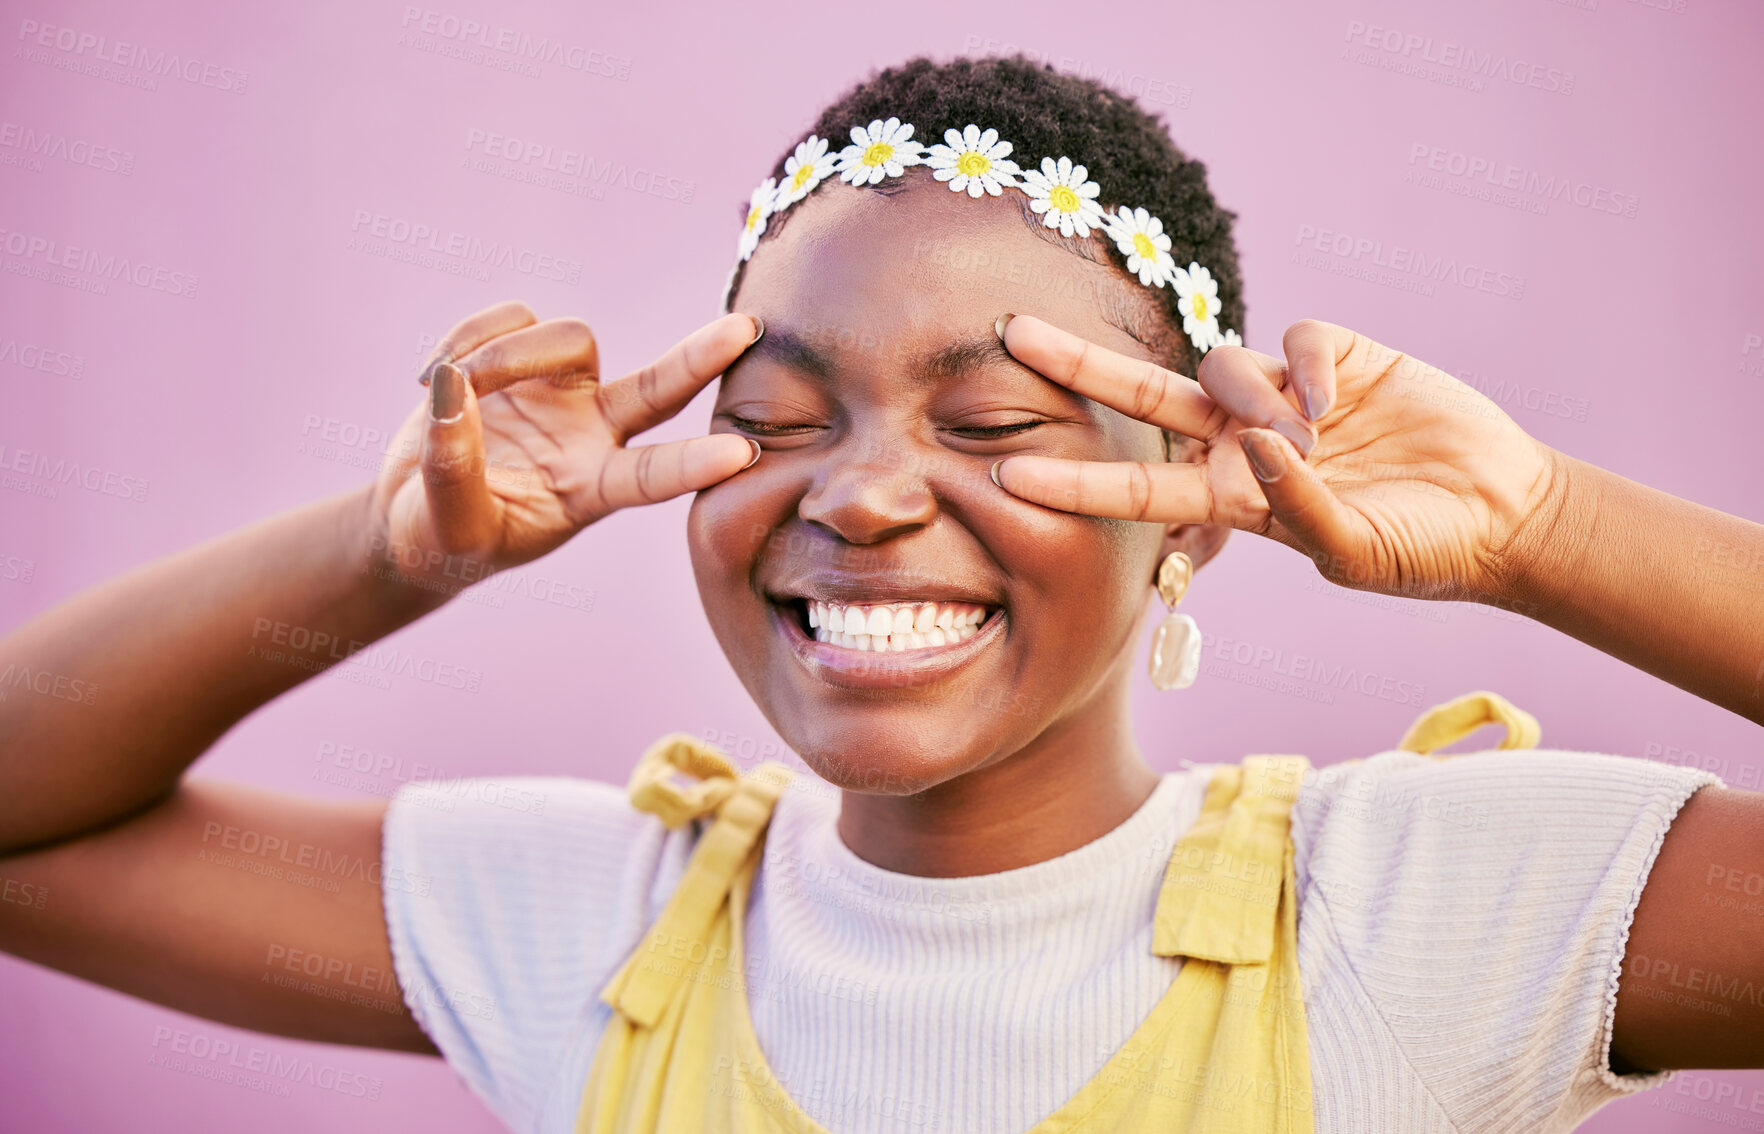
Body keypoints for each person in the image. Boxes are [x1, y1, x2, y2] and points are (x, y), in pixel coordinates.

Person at [1, 55, 1761, 1134]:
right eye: (770, 420)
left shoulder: (1414, 916)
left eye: (991, 423)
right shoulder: (598, 928)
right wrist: (386, 556)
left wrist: (1541, 523)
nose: (854, 491)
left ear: (1194, 520)